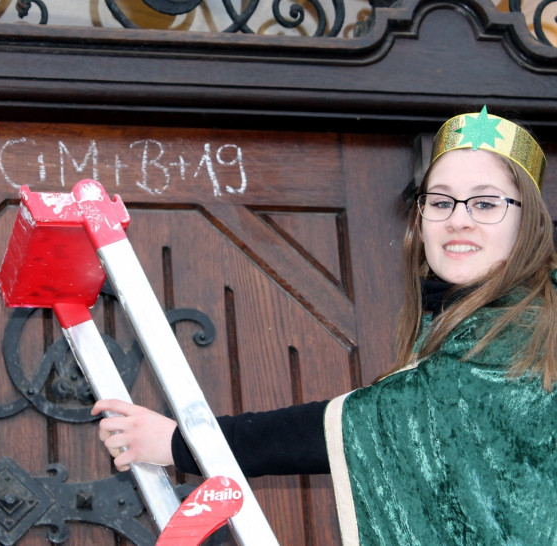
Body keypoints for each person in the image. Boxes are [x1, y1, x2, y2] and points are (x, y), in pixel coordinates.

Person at [92, 106, 557, 545]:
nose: (458, 220)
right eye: (441, 201)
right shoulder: (461, 325)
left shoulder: (520, 338)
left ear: (529, 222)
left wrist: (179, 443)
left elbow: (365, 422)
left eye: (486, 203)